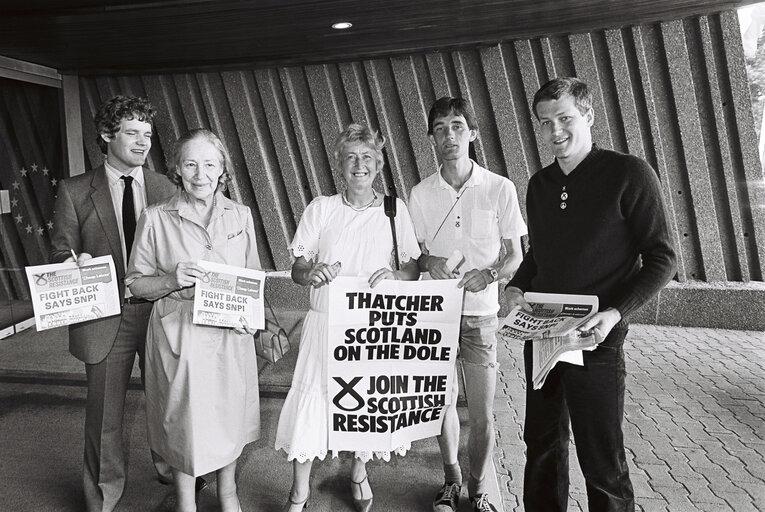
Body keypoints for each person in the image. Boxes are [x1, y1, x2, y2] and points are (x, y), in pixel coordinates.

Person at [505, 77, 677, 512]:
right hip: (543, 335)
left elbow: (663, 258)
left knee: (602, 459)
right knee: (541, 448)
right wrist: (514, 286)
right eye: (545, 123)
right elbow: (539, 257)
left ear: (589, 116)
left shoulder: (628, 173)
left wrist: (616, 313)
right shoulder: (539, 185)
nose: (555, 131)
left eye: (565, 118)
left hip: (596, 340)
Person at [274, 123, 422, 512]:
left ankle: (358, 470)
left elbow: (411, 268)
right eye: (351, 157)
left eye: (368, 157)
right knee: (313, 404)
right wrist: (313, 273)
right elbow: (297, 268)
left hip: (374, 329)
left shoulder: (395, 209)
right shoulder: (321, 208)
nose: (360, 165)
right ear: (339, 165)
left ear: (380, 164)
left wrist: (395, 276)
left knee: (367, 406)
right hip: (325, 324)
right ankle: (298, 494)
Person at [49, 95, 178, 512]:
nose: (143, 143)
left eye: (147, 134)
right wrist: (73, 262)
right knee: (104, 413)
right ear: (107, 136)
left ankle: (172, 468)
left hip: (160, 309)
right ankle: (103, 494)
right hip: (106, 315)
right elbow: (57, 252)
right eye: (131, 133)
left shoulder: (165, 187)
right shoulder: (73, 191)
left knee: (169, 399)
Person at [125, 129, 261, 512]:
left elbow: (251, 277)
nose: (200, 174)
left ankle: (228, 493)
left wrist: (250, 318)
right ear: (177, 170)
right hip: (179, 336)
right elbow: (135, 284)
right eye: (190, 164)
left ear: (222, 170)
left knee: (228, 416)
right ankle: (186, 500)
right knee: (186, 423)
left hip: (230, 334)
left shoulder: (242, 214)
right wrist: (170, 280)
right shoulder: (155, 217)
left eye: (210, 165)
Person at [408, 97, 527, 512]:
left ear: (472, 133)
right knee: (440, 404)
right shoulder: (420, 193)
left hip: (480, 317)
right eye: (440, 128)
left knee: (482, 414)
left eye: (457, 126)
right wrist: (429, 262)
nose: (449, 136)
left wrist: (491, 274)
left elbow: (516, 255)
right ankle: (451, 480)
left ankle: (478, 490)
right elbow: (412, 256)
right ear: (432, 139)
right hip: (434, 315)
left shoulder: (499, 188)